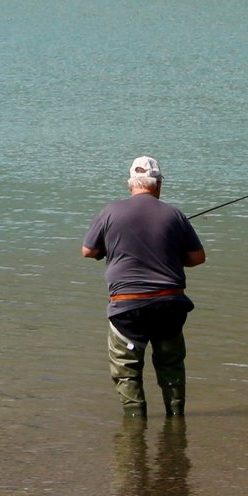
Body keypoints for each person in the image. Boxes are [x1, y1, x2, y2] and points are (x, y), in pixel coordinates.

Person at [81, 155, 206, 418]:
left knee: (127, 372)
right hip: (169, 304)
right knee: (170, 366)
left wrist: (106, 250)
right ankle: (176, 422)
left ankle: (134, 432)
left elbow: (88, 251)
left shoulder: (109, 212)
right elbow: (197, 258)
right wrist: (173, 255)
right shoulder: (174, 214)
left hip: (127, 305)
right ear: (158, 184)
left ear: (130, 185)